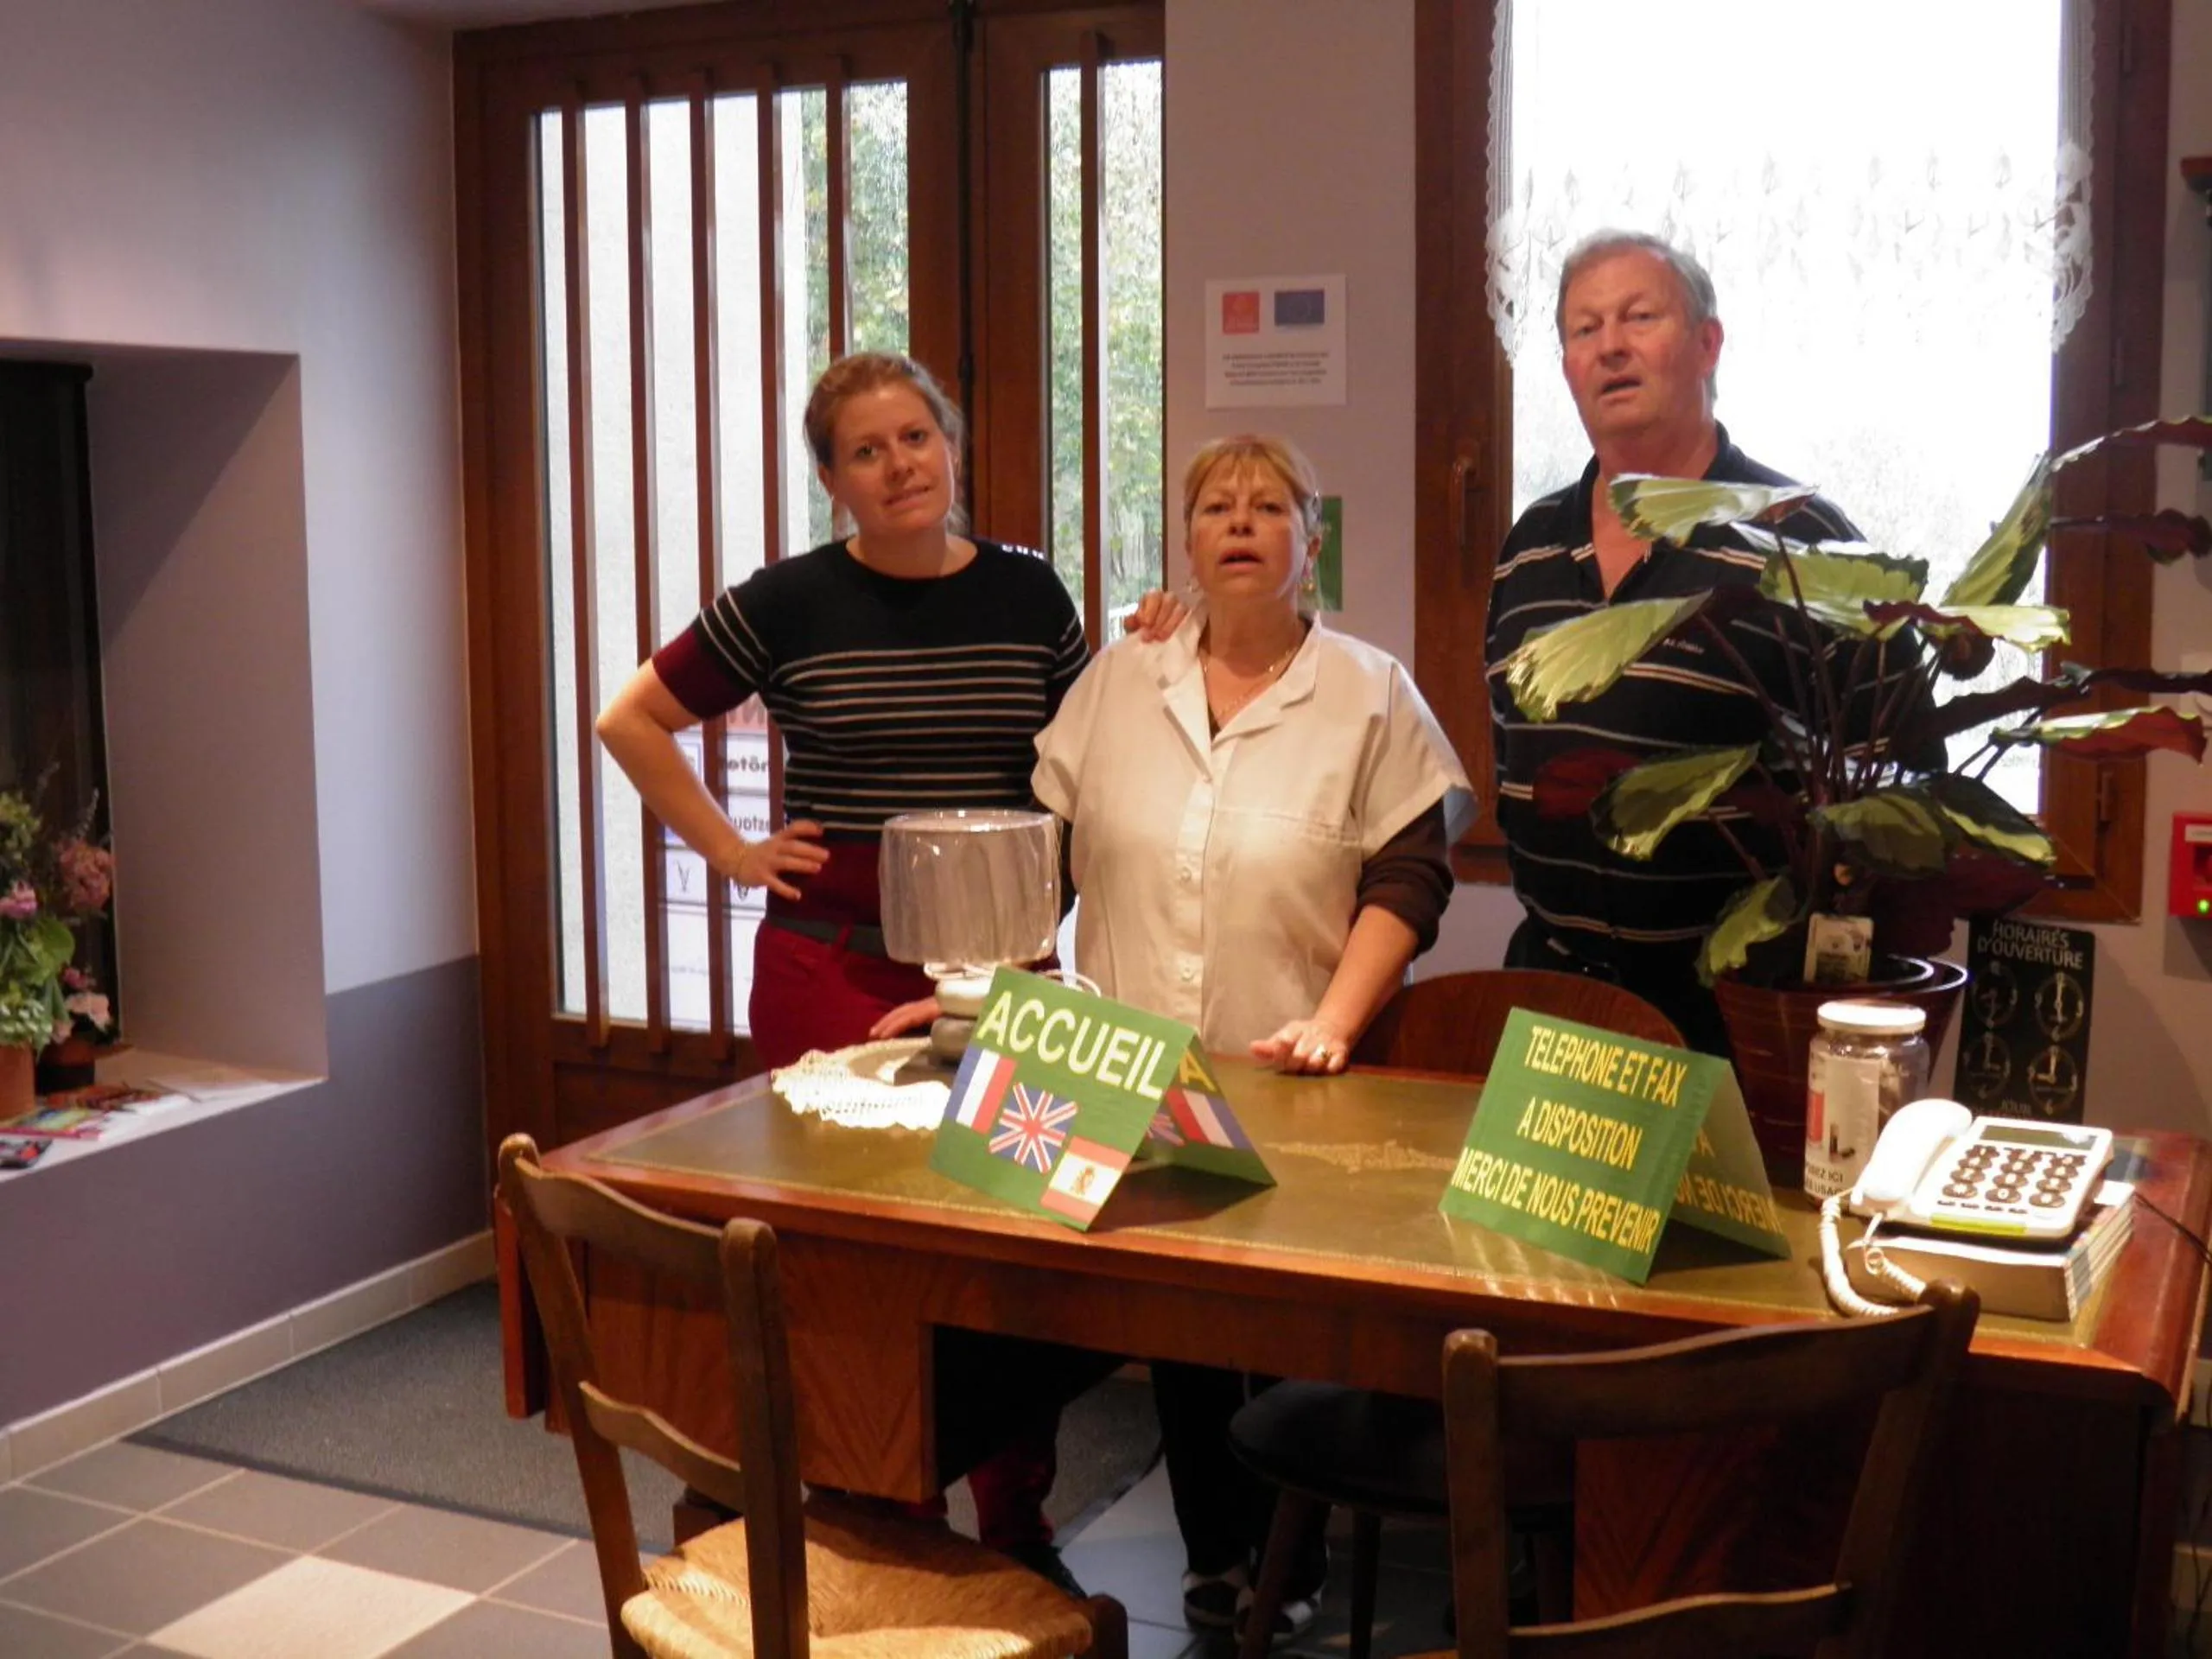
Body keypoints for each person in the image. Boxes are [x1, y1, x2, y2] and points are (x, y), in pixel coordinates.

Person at [597, 349, 1172, 1584]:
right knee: (852, 1263)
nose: (899, 465)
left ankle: (1016, 1527)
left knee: (1015, 1252)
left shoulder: (1031, 593)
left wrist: (1155, 645)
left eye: (916, 437)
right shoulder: (786, 602)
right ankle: (882, 1522)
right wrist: (733, 851)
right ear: (832, 480)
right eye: (866, 451)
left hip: (1007, 975)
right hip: (833, 972)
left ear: (951, 446)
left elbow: (1093, 752)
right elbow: (628, 718)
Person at [1033, 433, 1471, 1642]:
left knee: (1284, 1324)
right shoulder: (1122, 679)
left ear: (1309, 544)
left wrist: (1335, 1021)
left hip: (1295, 1066)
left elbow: (1411, 875)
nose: (1240, 521)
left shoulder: (1369, 690)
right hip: (1134, 1063)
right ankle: (1216, 1556)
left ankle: (1294, 1552)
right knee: (1176, 1324)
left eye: (1270, 506)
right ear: (1185, 541)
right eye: (1216, 506)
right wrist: (1008, 993)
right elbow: (1044, 850)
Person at [1486, 230, 1911, 1055]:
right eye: (1584, 329)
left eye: (1639, 318)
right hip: (1553, 999)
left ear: (1708, 344)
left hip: (1741, 1013)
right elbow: (1509, 752)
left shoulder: (1800, 539)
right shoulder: (1528, 547)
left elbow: (1894, 783)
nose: (1610, 346)